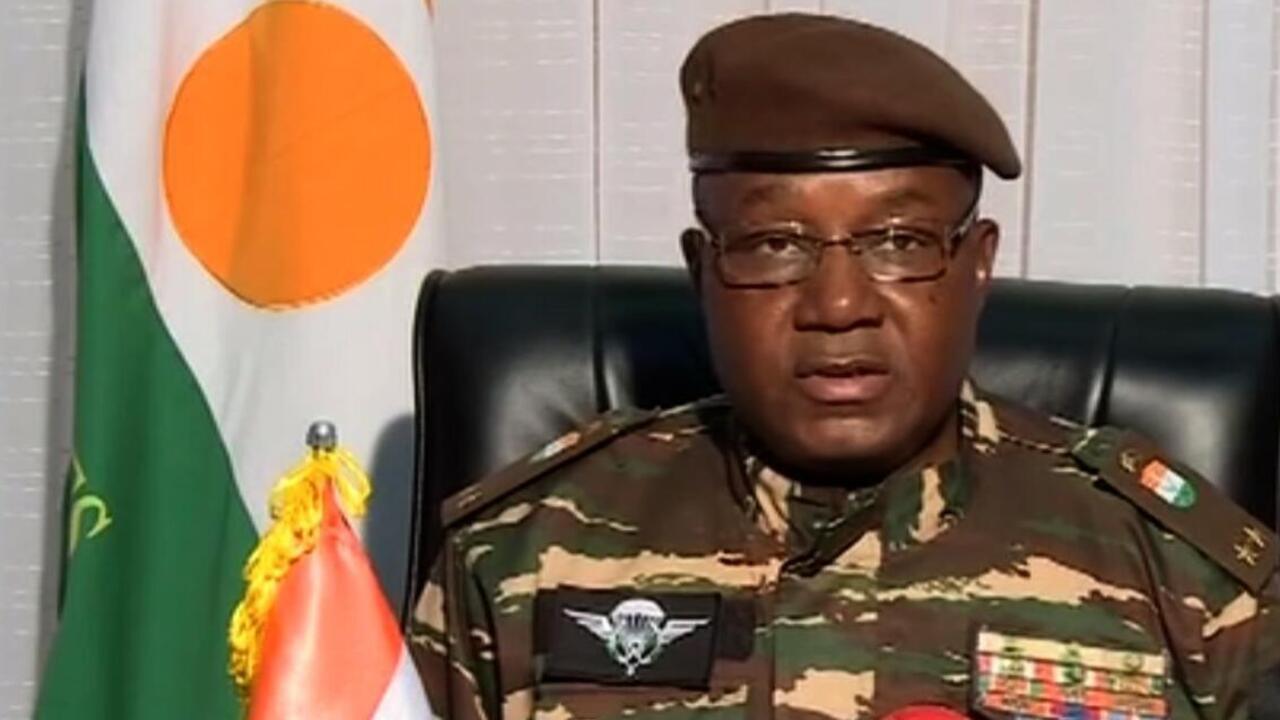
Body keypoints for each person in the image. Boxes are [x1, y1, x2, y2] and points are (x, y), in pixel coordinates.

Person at [409, 13, 1279, 719]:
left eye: (898, 241)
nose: (837, 304)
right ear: (703, 271)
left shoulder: (1183, 581)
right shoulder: (519, 556)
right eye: (774, 244)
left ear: (977, 264)